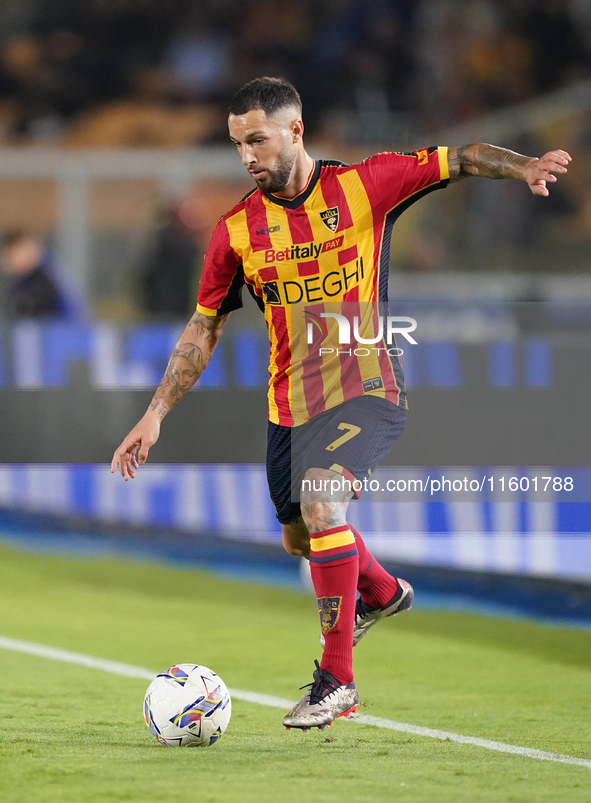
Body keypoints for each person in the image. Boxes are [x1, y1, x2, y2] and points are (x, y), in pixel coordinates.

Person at [111, 77, 570, 732]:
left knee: (323, 497)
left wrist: (523, 165)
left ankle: (336, 683)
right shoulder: (237, 230)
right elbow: (204, 324)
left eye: (257, 140)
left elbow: (459, 157)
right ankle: (381, 591)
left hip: (368, 383)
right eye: (237, 143)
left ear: (294, 131)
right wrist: (156, 410)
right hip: (288, 407)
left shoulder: (365, 185)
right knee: (299, 535)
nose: (245, 156)